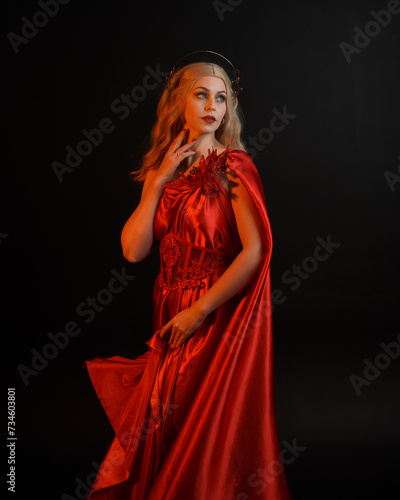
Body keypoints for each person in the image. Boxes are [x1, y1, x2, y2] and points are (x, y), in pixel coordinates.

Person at [85, 52, 291, 500]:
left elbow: (256, 251)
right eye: (201, 95)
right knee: (165, 419)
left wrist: (197, 312)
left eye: (221, 97)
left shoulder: (235, 167)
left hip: (213, 314)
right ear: (180, 102)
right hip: (169, 311)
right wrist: (156, 184)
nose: (212, 105)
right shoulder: (166, 169)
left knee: (203, 424)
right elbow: (133, 251)